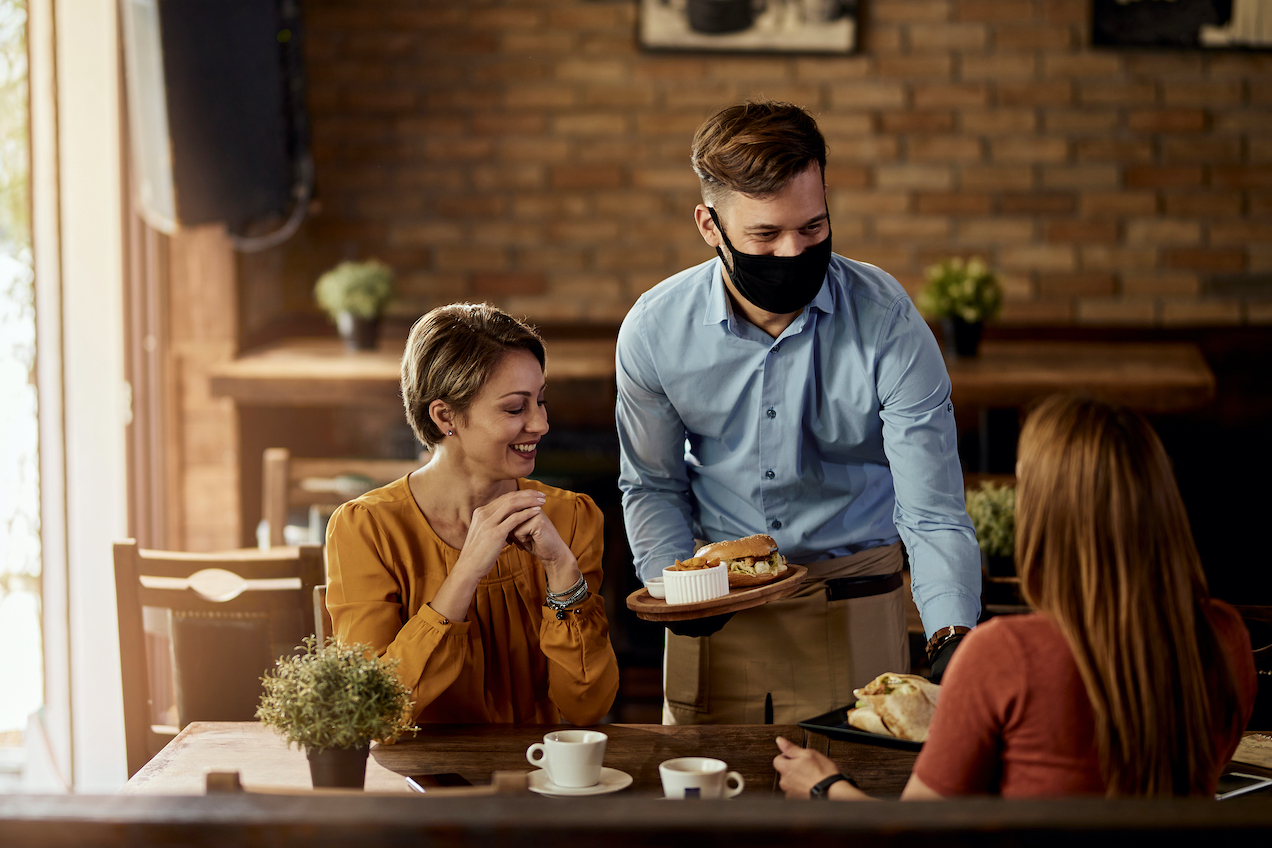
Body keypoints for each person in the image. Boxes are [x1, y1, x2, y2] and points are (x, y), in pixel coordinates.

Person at [615, 100, 981, 725]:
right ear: (710, 226)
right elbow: (652, 484)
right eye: (765, 234)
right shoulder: (654, 329)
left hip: (855, 599)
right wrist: (675, 592)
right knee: (709, 812)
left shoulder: (889, 321)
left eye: (812, 228)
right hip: (715, 607)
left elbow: (933, 509)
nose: (792, 251)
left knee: (858, 805)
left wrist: (952, 636)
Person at [774, 395, 1257, 798]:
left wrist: (824, 785)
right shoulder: (1224, 637)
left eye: (1024, 485)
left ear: (1049, 517)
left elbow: (917, 834)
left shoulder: (1004, 654)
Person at [326, 303, 620, 725]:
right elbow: (372, 714)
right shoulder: (367, 529)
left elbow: (587, 705)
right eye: (516, 409)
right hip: (422, 780)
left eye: (541, 402)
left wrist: (561, 569)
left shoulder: (571, 517)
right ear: (445, 416)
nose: (540, 424)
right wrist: (465, 574)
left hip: (546, 775)